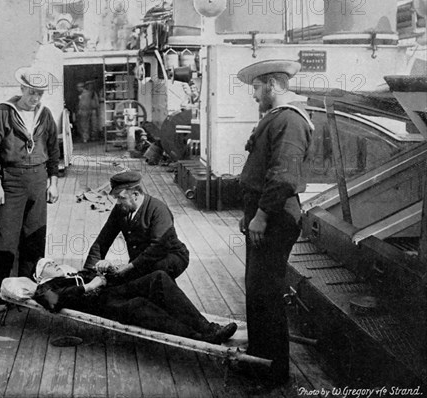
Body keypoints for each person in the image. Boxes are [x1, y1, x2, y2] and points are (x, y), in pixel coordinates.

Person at [235, 59, 314, 387]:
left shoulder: (290, 121)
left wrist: (262, 216)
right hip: (263, 214)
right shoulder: (276, 118)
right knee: (256, 291)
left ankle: (273, 374)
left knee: (266, 293)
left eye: (255, 87)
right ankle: (258, 358)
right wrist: (250, 214)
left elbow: (284, 176)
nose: (253, 95)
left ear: (270, 84)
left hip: (276, 217)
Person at [0, 66, 60, 319]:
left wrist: (54, 181)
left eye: (40, 94)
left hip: (38, 179)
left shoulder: (45, 115)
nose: (35, 98)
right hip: (12, 181)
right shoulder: (4, 112)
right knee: (5, 242)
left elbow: (53, 149)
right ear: (22, 89)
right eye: (32, 92)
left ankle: (24, 294)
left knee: (34, 241)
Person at [32, 258, 237, 344]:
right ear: (40, 275)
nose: (55, 263)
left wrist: (107, 271)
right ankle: (200, 337)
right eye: (49, 264)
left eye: (55, 261)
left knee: (158, 277)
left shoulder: (73, 273)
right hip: (104, 305)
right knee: (139, 305)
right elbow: (53, 301)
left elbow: (102, 277)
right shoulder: (44, 288)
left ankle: (208, 327)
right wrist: (88, 286)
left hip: (114, 290)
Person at [84, 171, 189, 283]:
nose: (118, 202)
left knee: (154, 277)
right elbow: (103, 240)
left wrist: (129, 266)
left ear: (135, 195)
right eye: (117, 198)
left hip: (170, 256)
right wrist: (89, 271)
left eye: (121, 198)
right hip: (141, 260)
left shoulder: (159, 210)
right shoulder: (120, 209)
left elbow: (158, 247)